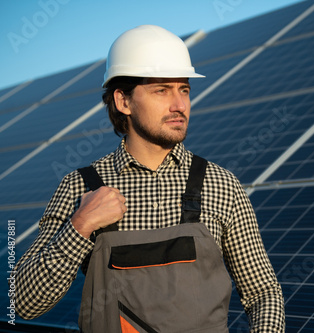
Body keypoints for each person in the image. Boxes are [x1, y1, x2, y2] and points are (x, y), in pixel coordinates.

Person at [13, 25, 285, 332]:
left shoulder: (220, 184)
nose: (179, 105)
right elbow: (24, 302)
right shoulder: (80, 187)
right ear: (123, 101)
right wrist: (81, 225)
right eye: (161, 90)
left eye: (184, 90)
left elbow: (263, 292)